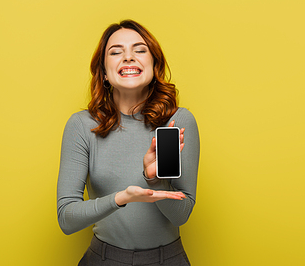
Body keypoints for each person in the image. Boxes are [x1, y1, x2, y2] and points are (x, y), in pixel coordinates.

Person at [57, 19, 200, 266]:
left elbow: (181, 215)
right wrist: (121, 198)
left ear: (154, 65)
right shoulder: (82, 126)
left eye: (140, 50)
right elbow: (67, 219)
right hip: (104, 259)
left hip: (167, 260)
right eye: (116, 52)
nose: (128, 57)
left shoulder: (174, 122)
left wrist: (154, 180)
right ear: (103, 72)